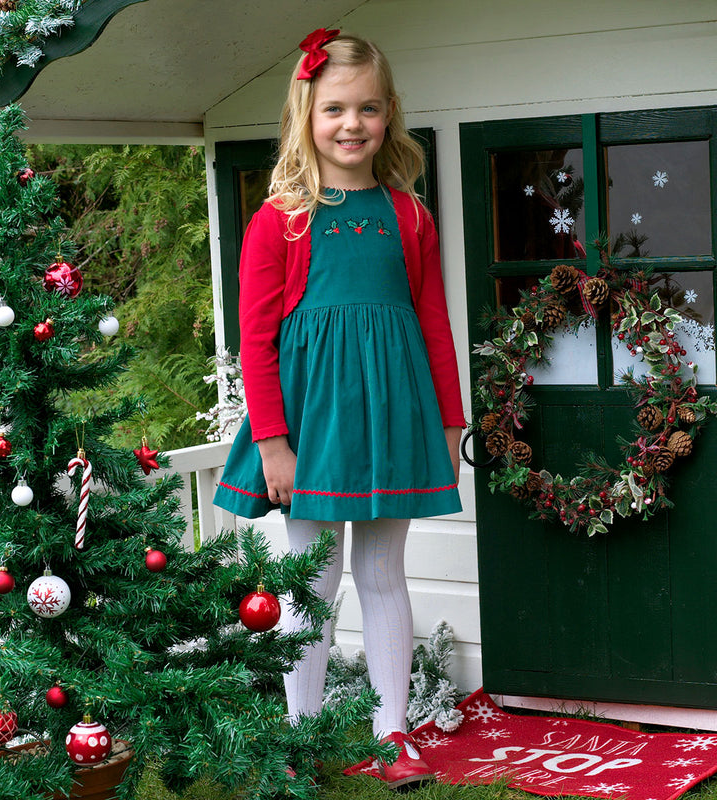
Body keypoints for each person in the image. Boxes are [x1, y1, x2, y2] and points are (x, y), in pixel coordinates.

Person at [213, 27, 466, 788]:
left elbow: (432, 325)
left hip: (393, 419)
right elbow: (256, 344)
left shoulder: (410, 216)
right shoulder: (279, 221)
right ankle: (302, 733)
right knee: (311, 581)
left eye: (367, 109)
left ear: (389, 115)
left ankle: (393, 738)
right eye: (334, 110)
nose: (350, 125)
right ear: (306, 114)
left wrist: (450, 423)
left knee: (385, 571)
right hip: (311, 427)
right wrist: (275, 446)